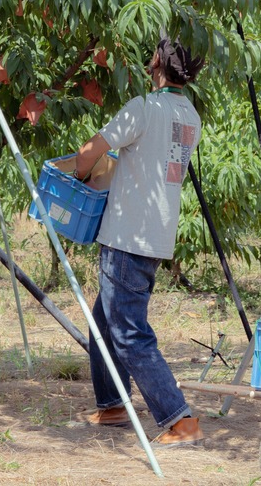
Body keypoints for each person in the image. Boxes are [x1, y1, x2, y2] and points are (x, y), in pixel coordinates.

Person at [72, 36, 206, 447]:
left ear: (158, 67)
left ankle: (179, 419)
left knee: (129, 332)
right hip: (156, 236)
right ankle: (112, 403)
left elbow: (90, 149)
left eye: (150, 63)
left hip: (128, 235)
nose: (147, 68)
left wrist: (79, 174)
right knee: (104, 322)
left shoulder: (144, 109)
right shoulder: (191, 117)